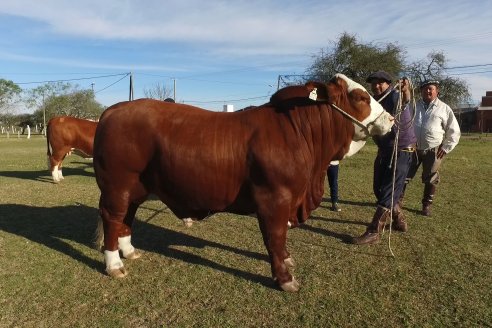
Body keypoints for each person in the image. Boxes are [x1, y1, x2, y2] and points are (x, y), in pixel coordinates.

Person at [353, 71, 416, 245]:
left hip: (402, 149)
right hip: (385, 149)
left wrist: (406, 91)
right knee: (378, 188)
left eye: (381, 82)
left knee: (389, 190)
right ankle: (398, 218)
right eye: (374, 83)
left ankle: (374, 231)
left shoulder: (395, 96)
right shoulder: (374, 102)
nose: (376, 86)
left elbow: (405, 101)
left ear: (389, 84)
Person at [404, 80, 460, 216]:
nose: (427, 91)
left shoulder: (444, 108)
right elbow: (406, 123)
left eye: (431, 89)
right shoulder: (414, 106)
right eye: (425, 89)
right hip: (413, 149)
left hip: (434, 149)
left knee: (431, 178)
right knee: (404, 174)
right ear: (421, 91)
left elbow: (454, 130)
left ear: (437, 91)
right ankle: (397, 201)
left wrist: (446, 147)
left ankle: (426, 205)